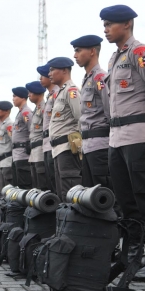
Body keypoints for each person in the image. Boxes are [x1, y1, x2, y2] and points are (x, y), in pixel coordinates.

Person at [101, 4, 145, 281]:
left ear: (126, 24)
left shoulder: (141, 53)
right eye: (104, 24)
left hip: (139, 135)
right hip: (116, 139)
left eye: (109, 24)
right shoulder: (114, 59)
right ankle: (134, 255)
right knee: (127, 203)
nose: (105, 29)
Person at [71, 34, 114, 191]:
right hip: (88, 146)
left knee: (104, 194)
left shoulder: (100, 77)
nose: (75, 55)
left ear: (92, 52)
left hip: (100, 145)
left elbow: (110, 109)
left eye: (78, 50)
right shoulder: (87, 78)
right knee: (91, 196)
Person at [47, 57, 82, 201]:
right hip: (58, 149)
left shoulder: (71, 90)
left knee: (70, 191)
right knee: (62, 192)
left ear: (64, 70)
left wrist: (79, 144)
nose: (49, 74)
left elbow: (80, 117)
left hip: (68, 148)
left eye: (52, 69)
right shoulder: (60, 93)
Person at [39, 64, 59, 194]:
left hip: (56, 141)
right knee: (50, 179)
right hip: (47, 143)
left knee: (58, 180)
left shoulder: (58, 93)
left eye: (42, 75)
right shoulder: (50, 96)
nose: (40, 79)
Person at [26, 80, 48, 189]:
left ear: (38, 93)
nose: (28, 95)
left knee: (43, 185)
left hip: (41, 151)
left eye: (31, 92)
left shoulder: (44, 108)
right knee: (36, 186)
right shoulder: (36, 110)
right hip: (34, 152)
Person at [11, 87, 33, 189]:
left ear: (23, 97)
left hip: (24, 154)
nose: (13, 98)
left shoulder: (26, 112)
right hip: (17, 154)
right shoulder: (20, 113)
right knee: (19, 184)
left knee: (25, 184)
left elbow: (32, 130)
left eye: (15, 96)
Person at [0, 101, 14, 190]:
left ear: (6, 111)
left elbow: (13, 141)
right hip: (1, 162)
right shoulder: (2, 125)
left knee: (8, 189)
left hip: (7, 162)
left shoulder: (9, 124)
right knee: (2, 189)